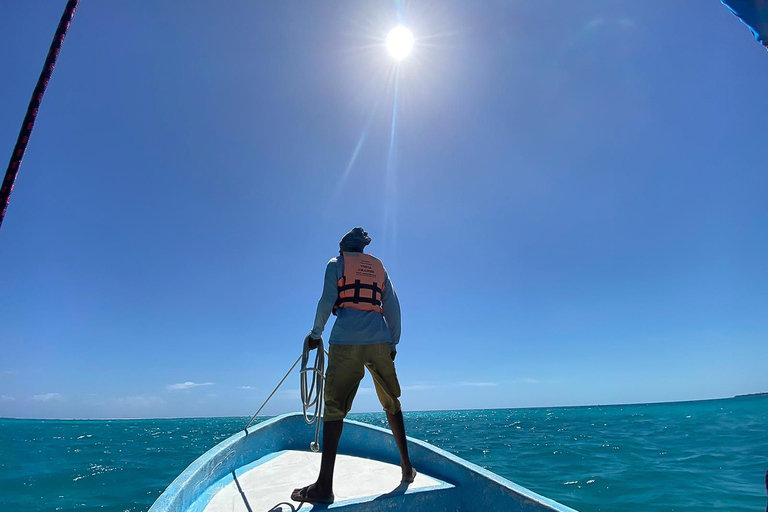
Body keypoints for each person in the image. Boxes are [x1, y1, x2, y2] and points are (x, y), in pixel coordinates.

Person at [291, 227, 416, 505]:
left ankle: (324, 486)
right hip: (380, 340)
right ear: (362, 249)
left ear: (343, 248)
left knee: (334, 408)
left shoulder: (336, 264)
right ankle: (407, 468)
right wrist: (392, 343)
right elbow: (393, 306)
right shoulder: (379, 267)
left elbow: (326, 301)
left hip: (346, 340)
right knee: (392, 402)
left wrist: (315, 335)